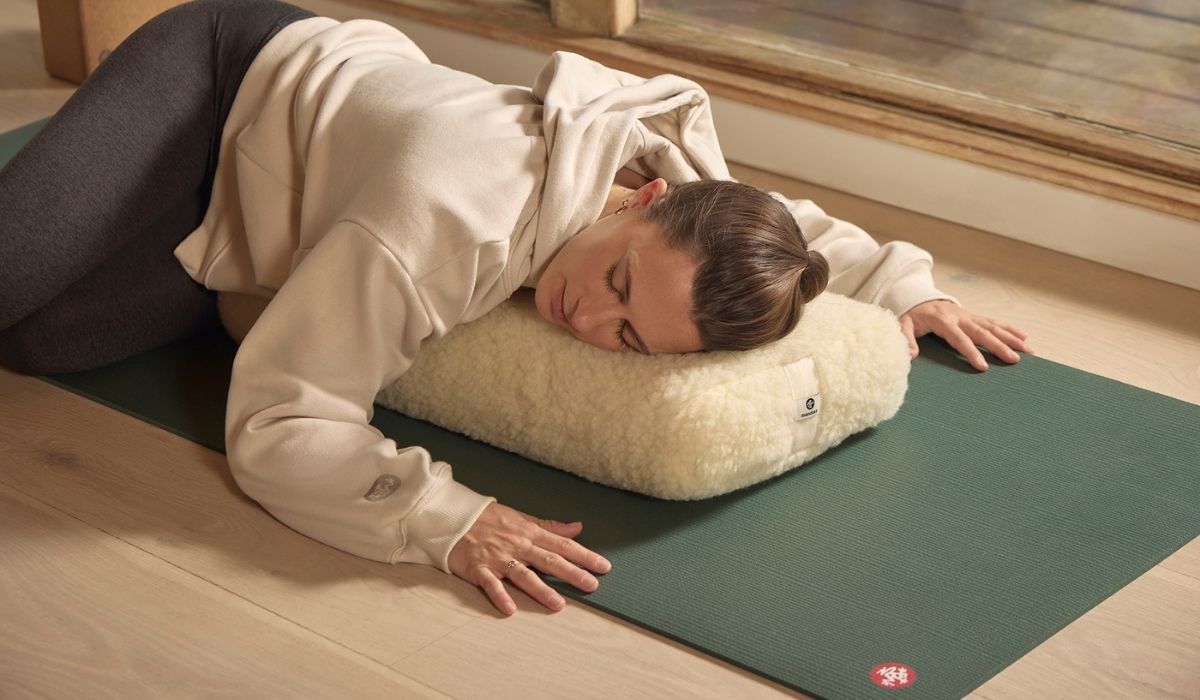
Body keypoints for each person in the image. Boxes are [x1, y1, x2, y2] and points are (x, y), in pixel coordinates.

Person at [0, 0, 1031, 616]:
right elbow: (281, 417)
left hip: (267, 191)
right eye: (618, 283)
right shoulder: (446, 219)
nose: (588, 320)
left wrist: (908, 285)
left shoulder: (682, 188)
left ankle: (235, 257)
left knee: (44, 339)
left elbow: (793, 232)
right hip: (227, 73)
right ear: (645, 198)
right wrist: (440, 518)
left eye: (628, 338)